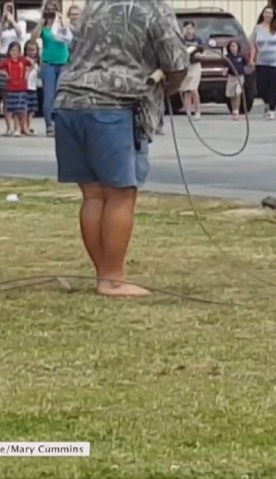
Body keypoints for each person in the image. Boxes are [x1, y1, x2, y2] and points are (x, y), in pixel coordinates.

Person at [52, 0, 190, 297]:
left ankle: (104, 274)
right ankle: (112, 280)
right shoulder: (154, 8)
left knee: (93, 194)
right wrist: (168, 87)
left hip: (68, 103)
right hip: (113, 106)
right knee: (120, 192)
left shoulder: (93, 5)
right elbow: (176, 62)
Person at [31, 0, 70, 137]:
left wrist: (61, 20)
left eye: (54, 8)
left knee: (63, 95)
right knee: (49, 95)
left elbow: (68, 36)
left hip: (63, 62)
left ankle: (62, 124)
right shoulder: (44, 27)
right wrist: (41, 22)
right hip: (48, 63)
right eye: (49, 8)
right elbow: (32, 39)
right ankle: (50, 125)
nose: (51, 10)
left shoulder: (60, 23)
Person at [0, 1, 26, 136]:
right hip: (4, 57)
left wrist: (13, 21)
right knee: (5, 95)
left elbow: (20, 35)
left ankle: (19, 126)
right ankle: (9, 126)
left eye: (11, 8)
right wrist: (3, 21)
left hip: (17, 57)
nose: (9, 10)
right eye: (6, 8)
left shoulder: (21, 23)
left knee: (17, 95)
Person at [0, 41, 31, 137]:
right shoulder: (7, 61)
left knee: (22, 108)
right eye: (12, 50)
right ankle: (16, 127)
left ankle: (22, 126)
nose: (14, 53)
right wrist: (5, 74)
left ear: (20, 52)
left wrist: (27, 73)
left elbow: (31, 64)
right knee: (14, 109)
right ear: (9, 51)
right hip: (11, 88)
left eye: (16, 51)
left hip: (22, 87)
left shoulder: (23, 60)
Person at [179, 21, 204, 119]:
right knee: (186, 90)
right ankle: (188, 111)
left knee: (193, 88)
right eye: (187, 28)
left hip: (195, 65)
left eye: (190, 28)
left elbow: (204, 51)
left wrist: (200, 56)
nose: (189, 31)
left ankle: (197, 110)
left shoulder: (197, 40)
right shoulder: (182, 40)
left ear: (194, 30)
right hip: (186, 65)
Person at [225, 40, 247, 121]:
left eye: (234, 46)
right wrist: (225, 71)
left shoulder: (241, 56)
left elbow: (245, 64)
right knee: (232, 94)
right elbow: (225, 67)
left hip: (239, 77)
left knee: (237, 92)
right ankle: (234, 110)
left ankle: (237, 111)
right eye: (231, 46)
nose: (233, 48)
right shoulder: (227, 57)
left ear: (238, 47)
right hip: (231, 77)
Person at [23, 39, 40, 136]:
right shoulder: (24, 61)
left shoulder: (37, 62)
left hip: (33, 87)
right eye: (29, 50)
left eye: (33, 50)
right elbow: (25, 75)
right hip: (25, 87)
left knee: (32, 109)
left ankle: (29, 125)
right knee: (25, 108)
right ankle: (24, 125)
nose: (31, 52)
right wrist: (30, 68)